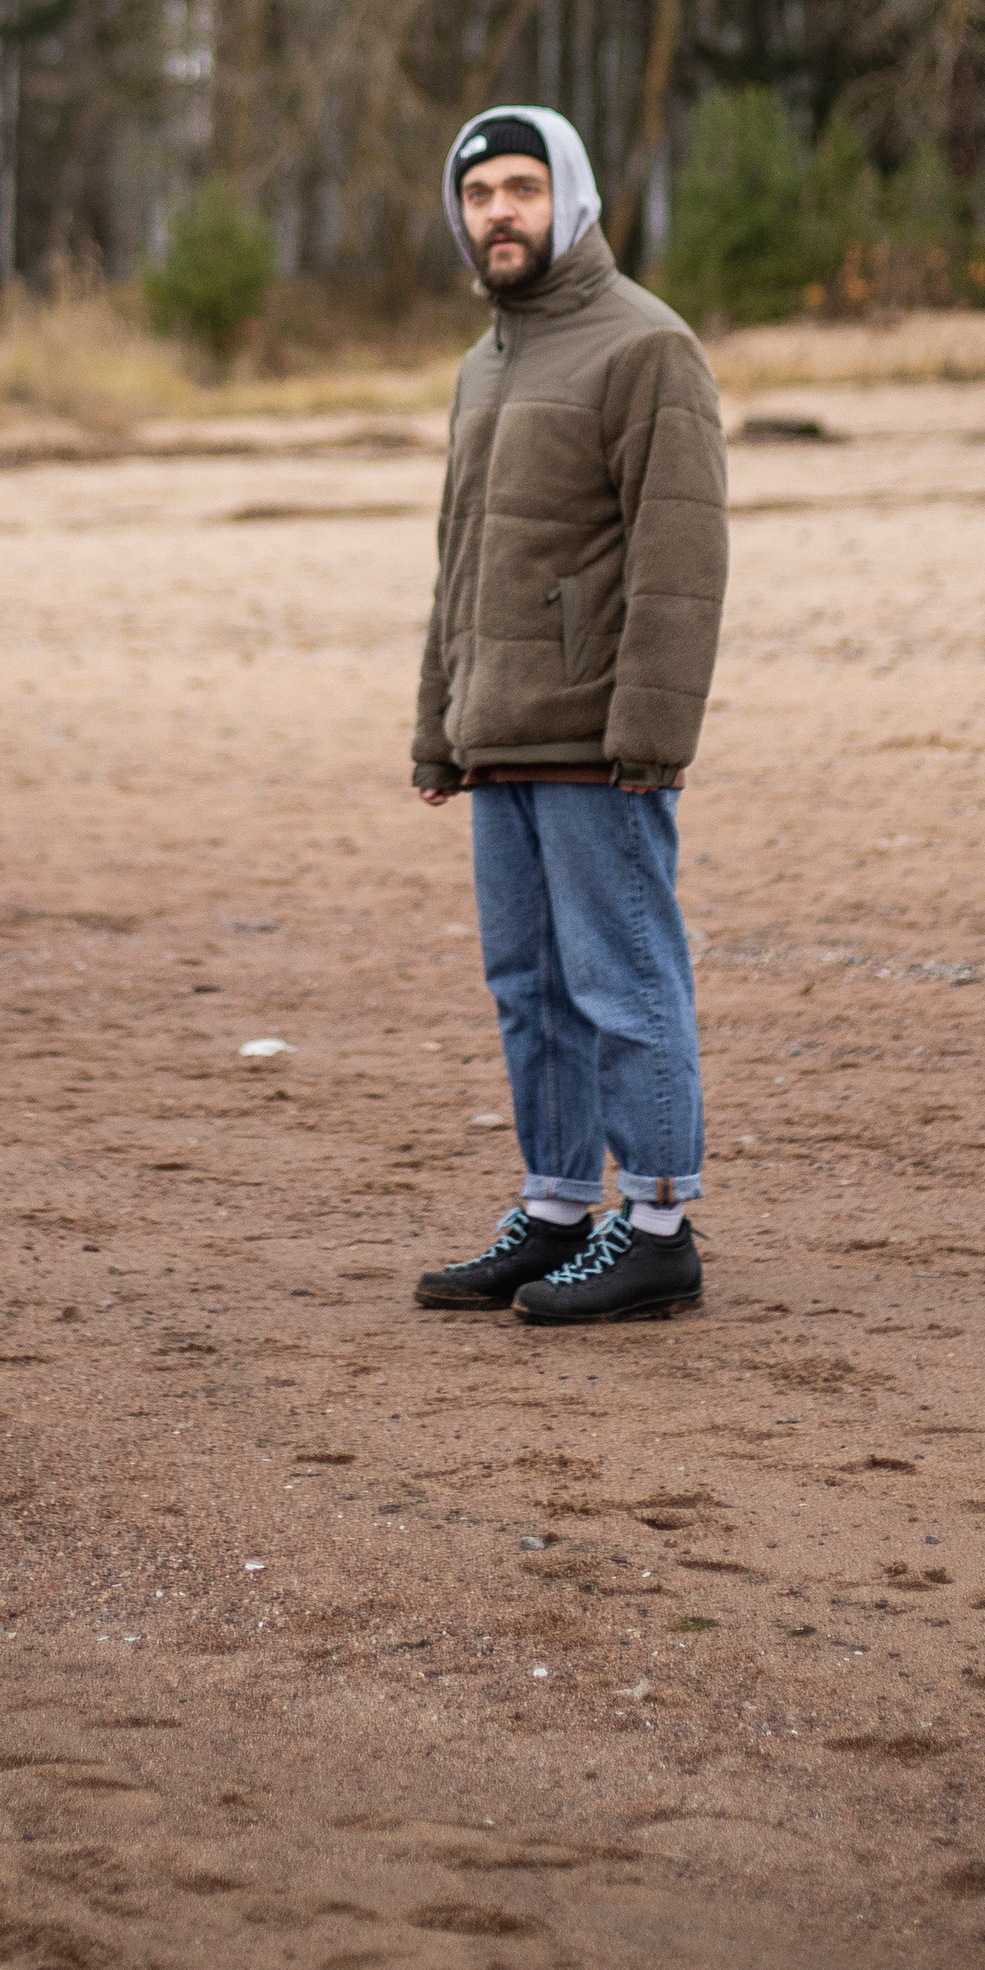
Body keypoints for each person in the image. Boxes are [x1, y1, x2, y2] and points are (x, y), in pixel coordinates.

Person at [410, 107, 729, 1324]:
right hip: (498, 732)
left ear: (572, 198)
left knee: (623, 982)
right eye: (478, 193)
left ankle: (656, 1227)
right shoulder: (482, 364)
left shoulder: (647, 346)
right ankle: (555, 1211)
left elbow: (680, 559)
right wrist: (438, 727)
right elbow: (458, 563)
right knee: (529, 988)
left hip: (599, 739)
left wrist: (652, 734)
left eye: (522, 188)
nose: (499, 211)